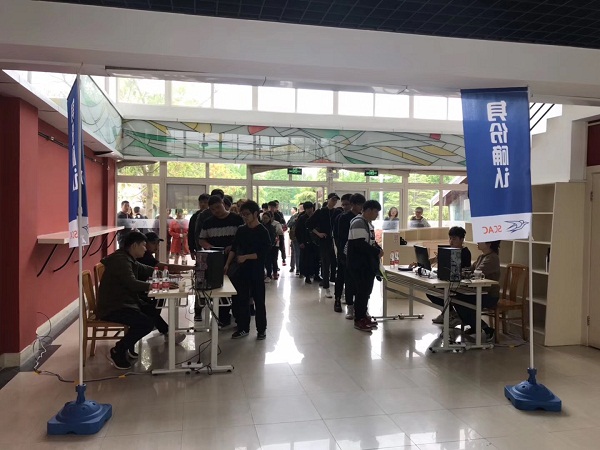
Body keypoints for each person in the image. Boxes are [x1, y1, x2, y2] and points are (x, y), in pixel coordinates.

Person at [97, 231, 173, 370]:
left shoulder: (127, 258)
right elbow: (132, 283)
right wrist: (157, 285)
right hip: (113, 307)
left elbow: (146, 270)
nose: (145, 248)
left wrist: (168, 276)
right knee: (146, 323)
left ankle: (128, 346)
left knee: (151, 311)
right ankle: (118, 350)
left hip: (124, 301)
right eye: (143, 245)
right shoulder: (121, 261)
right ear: (134, 245)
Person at [224, 200, 271, 340]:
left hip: (256, 270)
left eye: (247, 214)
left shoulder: (262, 231)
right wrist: (227, 264)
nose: (244, 217)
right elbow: (234, 248)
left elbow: (263, 253)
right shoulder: (241, 230)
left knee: (259, 300)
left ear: (255, 214)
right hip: (242, 271)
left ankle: (261, 329)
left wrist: (246, 257)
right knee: (242, 300)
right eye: (242, 214)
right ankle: (243, 328)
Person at [198, 195, 243, 326]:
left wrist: (233, 247)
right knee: (219, 288)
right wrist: (209, 247)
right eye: (212, 209)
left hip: (234, 259)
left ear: (223, 204)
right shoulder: (208, 222)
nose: (216, 211)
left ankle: (239, 316)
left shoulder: (237, 219)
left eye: (218, 207)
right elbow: (201, 239)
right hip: (215, 260)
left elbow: (243, 238)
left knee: (235, 287)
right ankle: (223, 317)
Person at [137, 232, 188, 344]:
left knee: (160, 296)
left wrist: (169, 276)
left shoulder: (147, 255)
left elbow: (153, 271)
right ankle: (166, 331)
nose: (157, 247)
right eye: (154, 243)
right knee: (153, 302)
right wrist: (190, 267)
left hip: (141, 287)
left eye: (157, 244)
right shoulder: (144, 256)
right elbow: (164, 267)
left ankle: (159, 325)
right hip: (137, 291)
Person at [346, 200, 384, 332]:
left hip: (366, 263)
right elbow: (359, 244)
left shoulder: (368, 224)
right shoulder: (358, 222)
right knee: (361, 292)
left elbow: (371, 241)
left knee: (366, 291)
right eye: (376, 212)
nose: (377, 215)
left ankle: (363, 315)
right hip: (359, 264)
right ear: (368, 210)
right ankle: (359, 319)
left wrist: (378, 248)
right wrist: (376, 252)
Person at [453, 241, 501, 342]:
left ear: (489, 244)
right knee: (457, 299)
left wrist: (462, 273)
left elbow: (476, 273)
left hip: (489, 296)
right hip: (479, 293)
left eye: (481, 240)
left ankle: (486, 329)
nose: (477, 242)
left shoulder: (492, 258)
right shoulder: (482, 257)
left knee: (460, 301)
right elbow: (470, 270)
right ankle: (475, 326)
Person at [426, 226, 472, 326]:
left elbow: (465, 269)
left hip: (459, 284)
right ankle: (448, 313)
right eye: (450, 238)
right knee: (430, 291)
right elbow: (435, 260)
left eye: (454, 239)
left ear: (461, 239)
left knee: (435, 291)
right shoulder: (448, 250)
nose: (451, 241)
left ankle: (450, 313)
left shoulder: (465, 252)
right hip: (447, 280)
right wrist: (423, 263)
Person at [335, 193, 365, 317]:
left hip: (358, 254)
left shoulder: (362, 218)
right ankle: (339, 300)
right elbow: (340, 237)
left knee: (356, 281)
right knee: (343, 278)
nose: (361, 207)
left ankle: (359, 306)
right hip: (345, 253)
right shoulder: (343, 218)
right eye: (359, 205)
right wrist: (342, 253)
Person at [306, 193, 341, 298]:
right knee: (326, 263)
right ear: (328, 200)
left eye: (336, 200)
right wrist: (318, 233)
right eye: (332, 200)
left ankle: (333, 280)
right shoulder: (320, 212)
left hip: (336, 241)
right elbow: (308, 224)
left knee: (335, 262)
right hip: (325, 241)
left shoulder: (337, 212)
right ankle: (326, 287)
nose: (334, 202)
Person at [295, 201, 319, 284]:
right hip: (305, 242)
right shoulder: (302, 218)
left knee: (316, 259)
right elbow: (297, 231)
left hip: (315, 242)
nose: (310, 210)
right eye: (308, 208)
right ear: (305, 209)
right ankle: (307, 276)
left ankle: (316, 275)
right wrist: (300, 242)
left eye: (311, 208)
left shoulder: (316, 217)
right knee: (306, 260)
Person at [261, 211, 283, 282]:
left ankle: (273, 273)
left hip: (273, 246)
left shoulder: (272, 227)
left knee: (273, 260)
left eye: (266, 218)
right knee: (266, 261)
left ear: (270, 218)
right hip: (264, 247)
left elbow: (276, 236)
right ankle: (267, 274)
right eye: (263, 218)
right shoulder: (260, 227)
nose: (264, 220)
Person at [188, 193, 210, 259]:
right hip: (198, 247)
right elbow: (191, 233)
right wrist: (191, 249)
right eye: (201, 202)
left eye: (205, 202)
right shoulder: (195, 216)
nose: (203, 204)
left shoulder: (213, 215)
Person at [286, 206, 301, 275]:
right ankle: (295, 267)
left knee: (297, 253)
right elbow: (288, 224)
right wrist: (295, 220)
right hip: (294, 237)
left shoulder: (305, 216)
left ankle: (298, 268)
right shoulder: (294, 216)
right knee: (295, 252)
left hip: (302, 237)